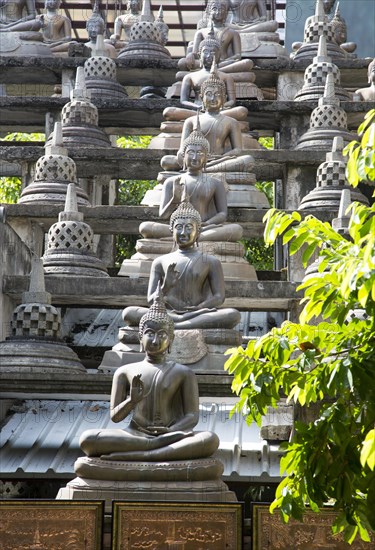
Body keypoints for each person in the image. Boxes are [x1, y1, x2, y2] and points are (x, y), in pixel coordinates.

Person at [79, 288, 219, 461]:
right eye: (150, 334)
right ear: (140, 338)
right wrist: (131, 401)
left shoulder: (184, 373)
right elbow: (115, 417)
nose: (155, 340)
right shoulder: (124, 372)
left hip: (171, 435)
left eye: (162, 335)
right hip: (134, 434)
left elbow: (192, 416)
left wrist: (171, 430)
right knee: (88, 439)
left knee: (209, 439)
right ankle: (153, 449)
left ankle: (146, 453)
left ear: (171, 340)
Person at [123, 199, 241, 330]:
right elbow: (151, 300)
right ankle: (180, 322)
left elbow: (219, 297)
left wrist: (200, 308)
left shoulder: (211, 261)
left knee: (232, 315)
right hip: (167, 313)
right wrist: (165, 286)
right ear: (171, 230)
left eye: (189, 227)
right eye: (179, 227)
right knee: (128, 312)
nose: (183, 232)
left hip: (197, 313)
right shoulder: (159, 262)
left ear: (198, 232)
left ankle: (177, 325)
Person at [140, 121, 243, 242]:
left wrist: (205, 224)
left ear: (207, 158)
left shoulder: (215, 183)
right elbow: (163, 216)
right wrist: (175, 199)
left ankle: (192, 237)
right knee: (145, 227)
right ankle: (188, 237)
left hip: (205, 228)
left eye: (200, 153)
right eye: (191, 153)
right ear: (183, 156)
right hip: (178, 229)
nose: (195, 157)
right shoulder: (171, 182)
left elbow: (222, 214)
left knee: (237, 229)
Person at [179, 0, 241, 72]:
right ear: (209, 11)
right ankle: (213, 71)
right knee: (182, 63)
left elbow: (238, 56)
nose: (218, 12)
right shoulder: (201, 32)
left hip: (223, 62)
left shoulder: (233, 33)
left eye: (222, 9)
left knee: (247, 63)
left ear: (226, 12)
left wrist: (225, 61)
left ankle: (215, 70)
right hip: (204, 63)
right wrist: (191, 55)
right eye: (214, 9)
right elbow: (196, 54)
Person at [0, 0, 71, 52]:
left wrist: (11, 25)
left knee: (37, 22)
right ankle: (6, 29)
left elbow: (32, 15)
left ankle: (7, 29)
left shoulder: (64, 19)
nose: (52, 3)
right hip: (1, 24)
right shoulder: (40, 16)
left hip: (18, 24)